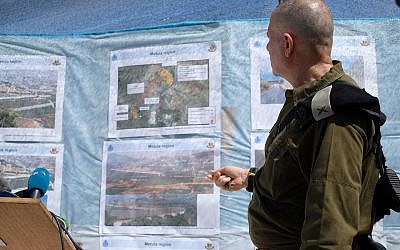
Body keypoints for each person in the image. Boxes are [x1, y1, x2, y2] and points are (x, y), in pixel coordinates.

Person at [208, 0, 383, 249]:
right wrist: (252, 179)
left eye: (270, 38)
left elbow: (328, 231)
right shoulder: (311, 100)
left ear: (288, 45)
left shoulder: (337, 115)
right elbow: (300, 176)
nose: (268, 47)